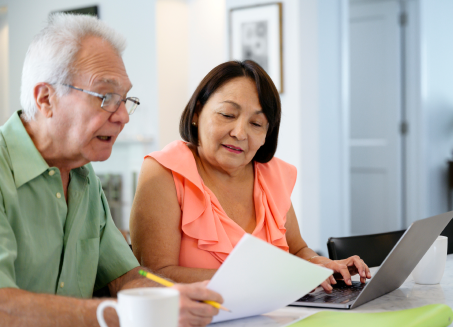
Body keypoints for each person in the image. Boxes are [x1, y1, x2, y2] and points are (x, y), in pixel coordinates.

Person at [0, 13, 222, 327]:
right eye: (105, 98)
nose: (121, 117)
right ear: (45, 99)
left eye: (124, 100)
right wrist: (138, 316)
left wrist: (182, 297)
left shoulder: (84, 176)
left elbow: (125, 278)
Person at [130, 60, 372, 291]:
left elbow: (298, 251)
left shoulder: (272, 174)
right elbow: (153, 274)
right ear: (196, 113)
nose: (239, 133)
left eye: (256, 123)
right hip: (200, 322)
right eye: (227, 115)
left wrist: (320, 265)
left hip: (276, 317)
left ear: (267, 133)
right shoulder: (165, 172)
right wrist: (263, 279)